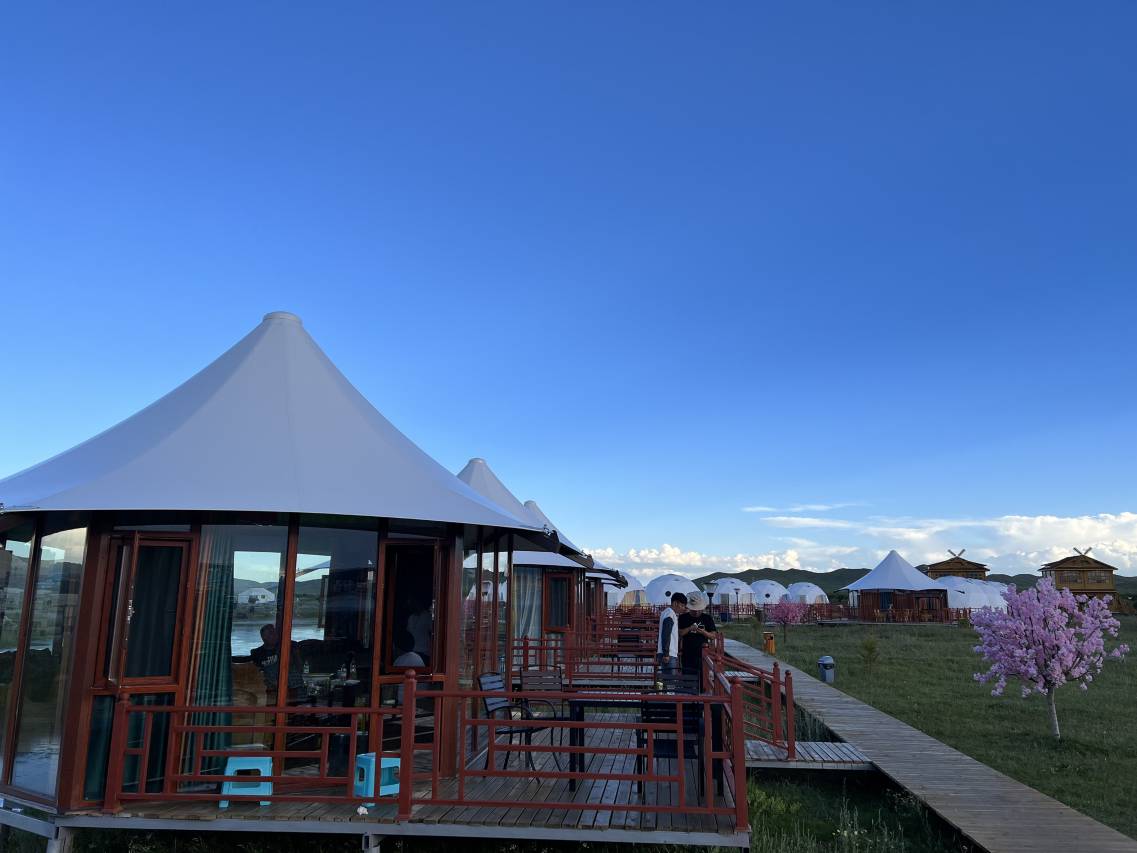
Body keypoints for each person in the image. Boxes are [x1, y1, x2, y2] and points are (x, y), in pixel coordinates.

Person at [250, 623, 305, 701]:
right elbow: (257, 674)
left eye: (275, 632)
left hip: (293, 684)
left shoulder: (288, 646)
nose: (275, 635)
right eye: (271, 633)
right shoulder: (257, 653)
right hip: (272, 687)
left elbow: (300, 668)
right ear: (263, 637)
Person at [678, 591, 717, 683]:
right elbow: (680, 633)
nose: (696, 612)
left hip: (702, 654)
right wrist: (689, 628)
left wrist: (703, 632)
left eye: (699, 610)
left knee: (703, 678)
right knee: (687, 678)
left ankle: (701, 691)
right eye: (694, 610)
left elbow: (713, 636)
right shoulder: (683, 618)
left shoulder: (707, 618)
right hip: (687, 653)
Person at [657, 592, 687, 678]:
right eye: (682, 606)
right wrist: (666, 653)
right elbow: (666, 634)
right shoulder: (669, 614)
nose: (683, 608)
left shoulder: (667, 612)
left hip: (668, 652)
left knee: (667, 679)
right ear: (675, 603)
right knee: (670, 680)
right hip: (668, 653)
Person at [392, 628, 425, 705]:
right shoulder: (418, 657)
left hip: (404, 700)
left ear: (396, 646)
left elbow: (393, 685)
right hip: (420, 698)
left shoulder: (400, 660)